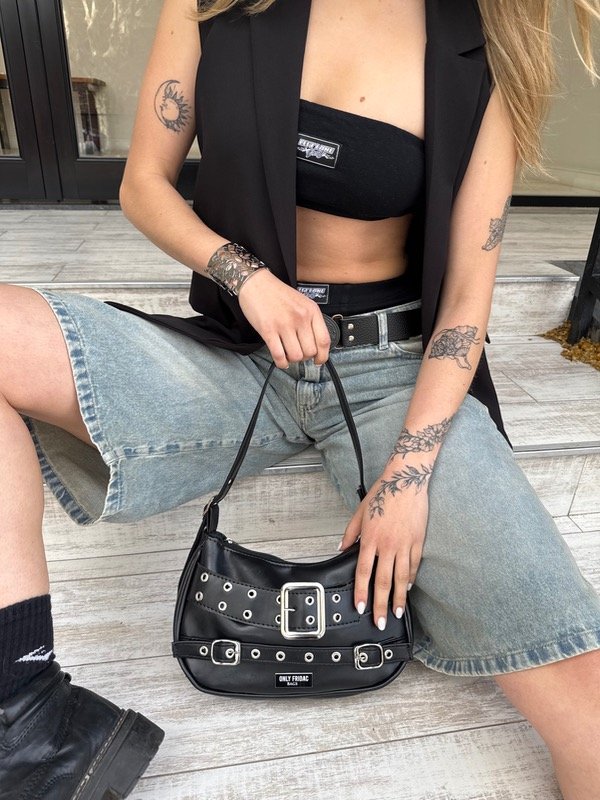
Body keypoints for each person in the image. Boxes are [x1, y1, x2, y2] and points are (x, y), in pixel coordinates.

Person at [1, 0, 599, 797]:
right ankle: (27, 717)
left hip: (395, 375)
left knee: (588, 709)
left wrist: (408, 477)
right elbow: (143, 185)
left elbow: (464, 302)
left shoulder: (481, 41)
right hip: (238, 353)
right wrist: (246, 279)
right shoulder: (216, 6)